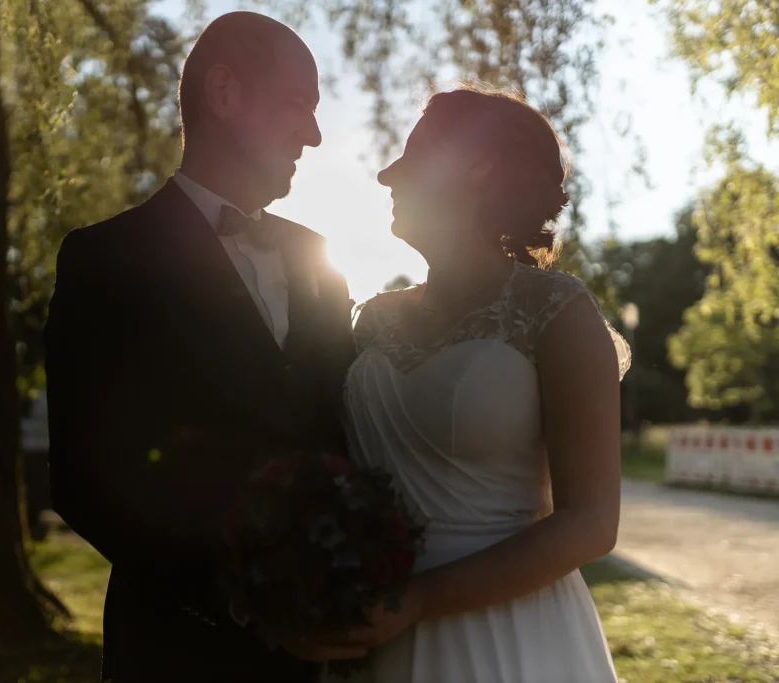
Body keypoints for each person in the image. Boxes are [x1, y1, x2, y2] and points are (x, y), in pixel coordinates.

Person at [43, 11, 358, 682]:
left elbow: (337, 432)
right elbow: (82, 477)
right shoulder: (106, 259)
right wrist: (243, 603)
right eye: (296, 104)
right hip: (175, 649)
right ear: (223, 94)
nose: (314, 132)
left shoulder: (319, 255)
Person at [328, 86, 630, 682]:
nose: (388, 175)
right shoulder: (374, 319)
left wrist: (417, 600)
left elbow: (592, 523)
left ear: (478, 167)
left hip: (511, 637)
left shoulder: (556, 310)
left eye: (412, 156)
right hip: (372, 634)